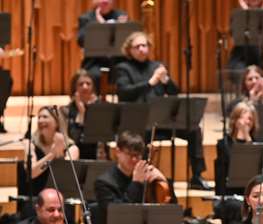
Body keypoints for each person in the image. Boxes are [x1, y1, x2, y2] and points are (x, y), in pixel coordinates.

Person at [114, 31, 210, 190]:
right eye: (137, 46)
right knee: (139, 136)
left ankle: (197, 176)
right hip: (140, 121)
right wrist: (151, 82)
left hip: (161, 120)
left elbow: (174, 92)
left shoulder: (155, 66)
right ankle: (140, 179)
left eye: (144, 45)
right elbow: (125, 92)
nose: (142, 49)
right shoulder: (123, 68)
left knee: (193, 129)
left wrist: (166, 80)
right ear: (129, 50)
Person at [24, 106, 80, 203]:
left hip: (61, 200)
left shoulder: (72, 148)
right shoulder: (30, 144)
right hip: (37, 199)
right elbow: (31, 172)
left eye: (45, 117)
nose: (40, 120)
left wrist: (59, 154)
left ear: (57, 122)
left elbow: (66, 174)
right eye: (39, 117)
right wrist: (52, 154)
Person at [77, 0, 129, 89]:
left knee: (127, 72)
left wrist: (123, 28)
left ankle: (124, 102)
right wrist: (100, 26)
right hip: (94, 61)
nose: (105, 0)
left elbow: (130, 40)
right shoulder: (86, 18)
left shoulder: (121, 16)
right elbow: (81, 41)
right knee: (93, 75)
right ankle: (95, 102)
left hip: (118, 60)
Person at [228, 0, 263, 72]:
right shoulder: (238, 15)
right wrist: (246, 12)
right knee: (238, 72)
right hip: (241, 57)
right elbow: (235, 37)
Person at [65, 69, 100, 160]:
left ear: (93, 88)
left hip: (97, 155)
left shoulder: (101, 107)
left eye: (88, 84)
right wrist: (82, 113)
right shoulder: (67, 110)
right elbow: (74, 138)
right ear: (74, 88)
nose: (85, 87)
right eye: (81, 84)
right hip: (77, 156)